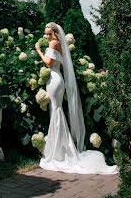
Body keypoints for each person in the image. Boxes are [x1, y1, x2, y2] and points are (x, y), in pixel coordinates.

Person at [35, 22, 118, 174]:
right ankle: (59, 149)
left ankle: (59, 151)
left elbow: (48, 63)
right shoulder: (59, 43)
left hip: (54, 79)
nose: (47, 36)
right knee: (56, 110)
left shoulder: (53, 43)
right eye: (46, 34)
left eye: (49, 33)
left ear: (55, 33)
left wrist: (39, 51)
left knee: (56, 110)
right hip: (56, 79)